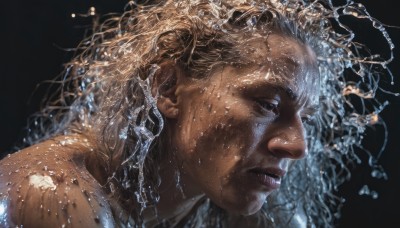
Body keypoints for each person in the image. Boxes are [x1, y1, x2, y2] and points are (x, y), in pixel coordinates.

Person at [0, 0, 395, 227]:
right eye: (268, 105)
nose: (295, 146)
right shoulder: (53, 195)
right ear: (168, 90)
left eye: (304, 119)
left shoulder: (260, 212)